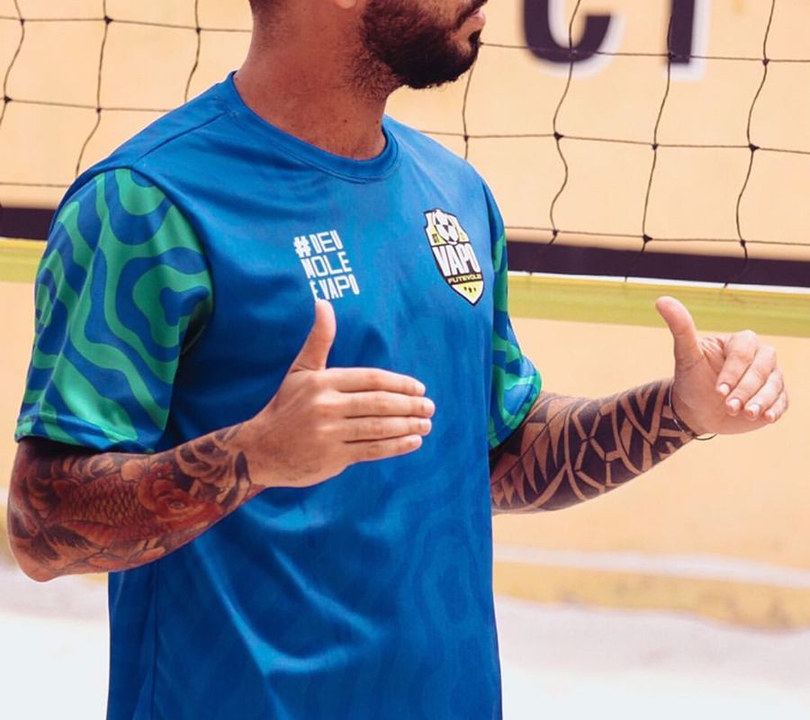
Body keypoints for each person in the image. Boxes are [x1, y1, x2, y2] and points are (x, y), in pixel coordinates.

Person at [7, 0, 788, 718]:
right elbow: (40, 529)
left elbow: (494, 456)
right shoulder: (146, 203)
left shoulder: (455, 192)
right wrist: (252, 457)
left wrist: (677, 413)